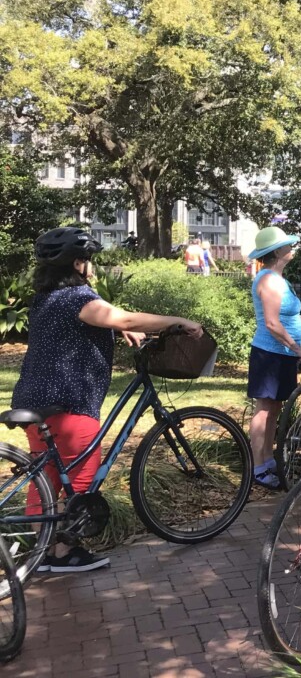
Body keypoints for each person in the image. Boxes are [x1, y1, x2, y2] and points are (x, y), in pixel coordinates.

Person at [12, 227, 203, 572]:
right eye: (90, 261)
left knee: (48, 478)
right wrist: (178, 320)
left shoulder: (45, 299)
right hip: (70, 402)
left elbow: (99, 322)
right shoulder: (78, 299)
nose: (93, 267)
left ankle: (44, 552)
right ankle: (64, 552)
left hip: (36, 398)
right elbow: (123, 316)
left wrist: (116, 327)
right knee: (82, 479)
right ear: (78, 263)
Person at [247, 226, 301, 489]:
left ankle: (268, 461)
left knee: (274, 409)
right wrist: (296, 348)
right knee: (264, 410)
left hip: (281, 355)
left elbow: (284, 313)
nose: (292, 248)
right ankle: (258, 467)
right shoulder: (267, 280)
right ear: (277, 251)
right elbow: (270, 322)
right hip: (270, 354)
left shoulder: (278, 279)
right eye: (287, 245)